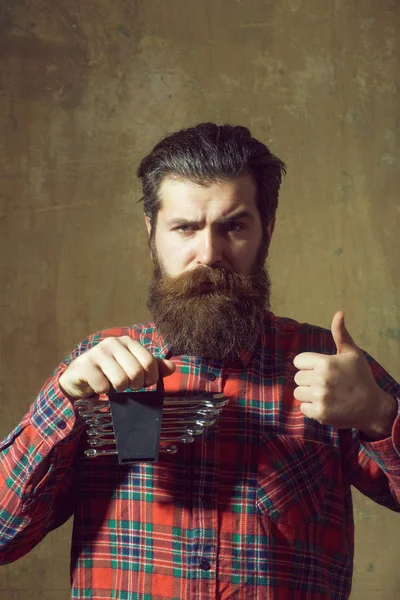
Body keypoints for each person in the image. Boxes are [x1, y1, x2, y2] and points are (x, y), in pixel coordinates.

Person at [0, 123, 399, 600]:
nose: (209, 254)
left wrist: (379, 415)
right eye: (185, 227)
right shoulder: (95, 371)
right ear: (153, 233)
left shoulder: (332, 369)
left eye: (233, 226)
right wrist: (62, 400)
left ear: (266, 230)